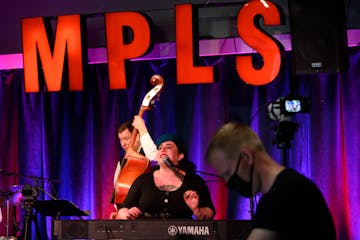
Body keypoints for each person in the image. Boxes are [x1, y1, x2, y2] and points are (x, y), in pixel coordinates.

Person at [205, 122, 336, 240]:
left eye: (228, 173)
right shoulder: (288, 188)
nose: (228, 183)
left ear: (246, 157)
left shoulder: (284, 194)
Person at [115, 133, 215, 220]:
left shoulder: (194, 181)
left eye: (168, 147)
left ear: (180, 155)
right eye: (160, 148)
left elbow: (210, 213)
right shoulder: (143, 180)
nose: (162, 149)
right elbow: (122, 210)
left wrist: (196, 210)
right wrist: (127, 214)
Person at [110, 115, 158, 219]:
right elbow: (118, 190)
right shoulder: (122, 161)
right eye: (120, 140)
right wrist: (119, 212)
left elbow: (155, 160)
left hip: (147, 215)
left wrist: (141, 128)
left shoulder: (148, 155)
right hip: (126, 215)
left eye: (126, 138)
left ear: (137, 136)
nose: (123, 143)